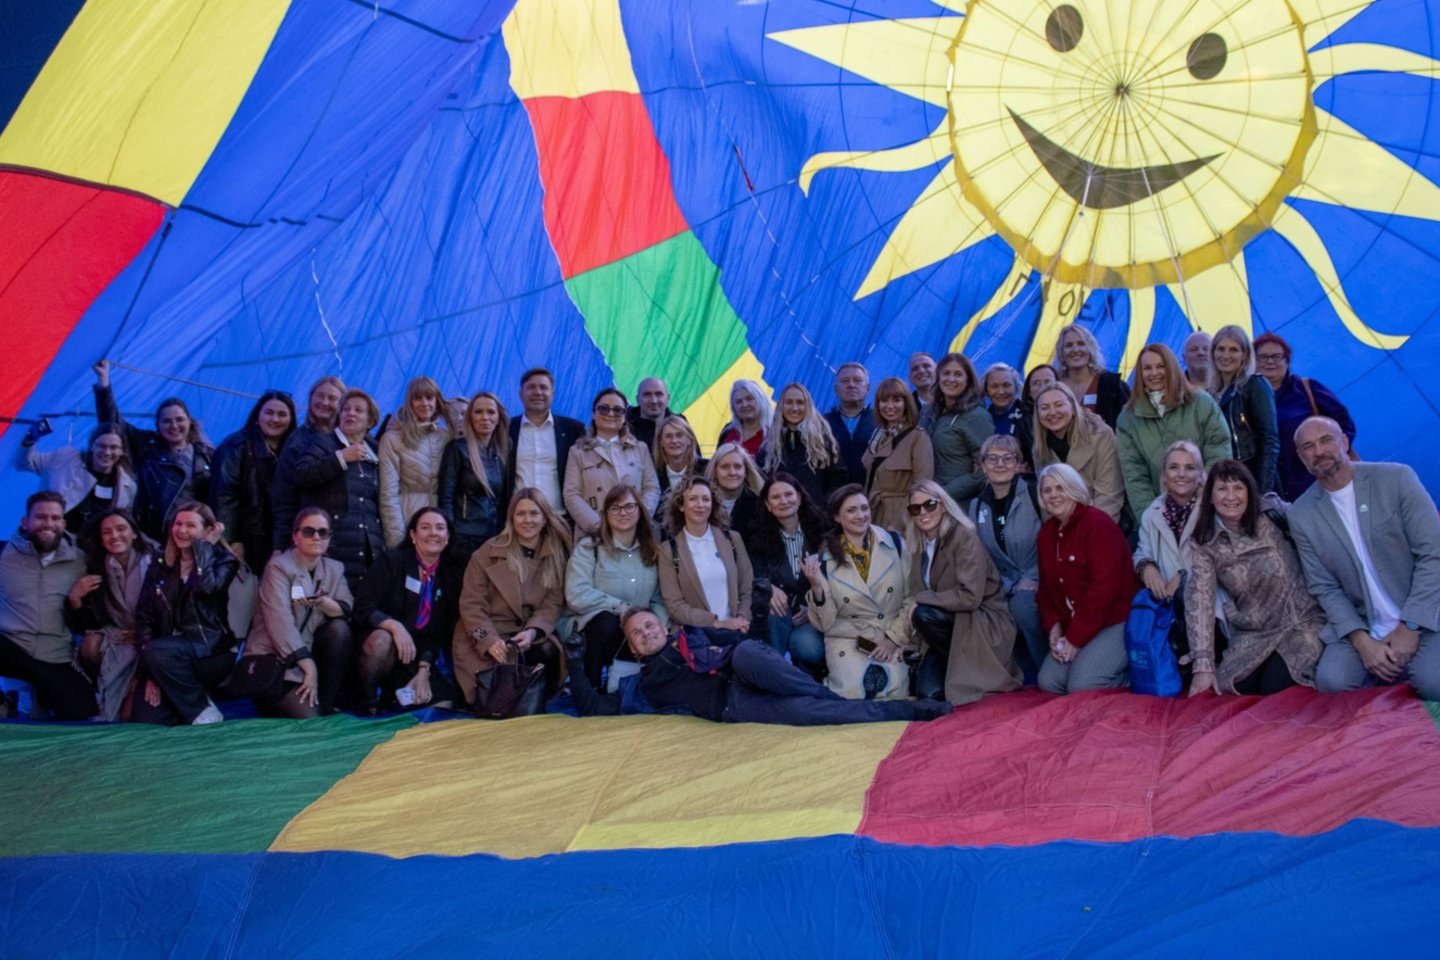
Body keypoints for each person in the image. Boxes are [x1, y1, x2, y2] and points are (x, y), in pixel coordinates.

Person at [566, 608, 949, 723]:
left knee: (746, 653)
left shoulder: (694, 634)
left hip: (745, 667)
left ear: (664, 627)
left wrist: (761, 612)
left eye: (649, 625)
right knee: (813, 714)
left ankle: (822, 696)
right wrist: (575, 662)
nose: (646, 633)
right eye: (636, 633)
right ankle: (914, 710)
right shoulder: (642, 687)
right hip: (734, 704)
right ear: (634, 651)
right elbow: (593, 707)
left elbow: (754, 645)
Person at [1288, 418, 1440, 700]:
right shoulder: (1301, 514)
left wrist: (1411, 627)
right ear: (1301, 457)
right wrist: (1362, 642)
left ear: (1344, 442)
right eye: (1308, 446)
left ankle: (1408, 664)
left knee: (1435, 682)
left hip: (1423, 616)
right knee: (1333, 681)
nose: (1319, 451)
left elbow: (1434, 554)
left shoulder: (1397, 479)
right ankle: (1388, 663)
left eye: (1326, 440)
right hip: (1365, 623)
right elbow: (1324, 587)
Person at [1183, 460, 1323, 696]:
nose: (1231, 496)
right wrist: (1203, 663)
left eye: (1238, 488)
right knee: (1237, 686)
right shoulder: (1205, 542)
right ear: (1210, 497)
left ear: (1249, 491)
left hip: (1301, 623)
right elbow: (1200, 599)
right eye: (1222, 489)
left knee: (1274, 687)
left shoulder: (1272, 513)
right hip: (1253, 633)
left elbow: (1317, 531)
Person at [904, 481, 1021, 705]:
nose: (923, 512)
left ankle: (969, 666)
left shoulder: (963, 536)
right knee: (927, 694)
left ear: (944, 505)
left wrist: (921, 599)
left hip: (981, 620)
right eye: (915, 508)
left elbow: (970, 597)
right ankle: (952, 664)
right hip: (949, 623)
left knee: (923, 614)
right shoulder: (918, 545)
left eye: (930, 504)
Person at [453, 490, 572, 709]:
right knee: (492, 695)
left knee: (547, 650)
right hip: (485, 635)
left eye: (534, 513)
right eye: (521, 514)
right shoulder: (486, 554)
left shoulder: (555, 557)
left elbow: (552, 605)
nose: (528, 520)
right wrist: (488, 640)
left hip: (526, 635)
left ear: (545, 519)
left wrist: (533, 631)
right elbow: (471, 606)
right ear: (511, 519)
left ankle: (536, 704)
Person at [130, 501, 239, 724]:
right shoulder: (161, 562)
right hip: (165, 655)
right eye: (178, 524)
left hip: (210, 651)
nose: (181, 530)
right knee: (146, 717)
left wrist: (205, 548)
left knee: (159, 653)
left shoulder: (225, 560)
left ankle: (203, 712)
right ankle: (193, 702)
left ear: (208, 531)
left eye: (190, 525)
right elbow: (144, 616)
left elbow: (206, 588)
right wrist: (153, 669)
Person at [241, 507, 354, 717]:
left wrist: (323, 603)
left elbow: (346, 607)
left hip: (308, 654)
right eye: (309, 531)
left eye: (323, 532)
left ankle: (326, 702)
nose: (316, 537)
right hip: (276, 660)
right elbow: (280, 623)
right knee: (308, 719)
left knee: (339, 629)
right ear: (295, 536)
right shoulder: (278, 567)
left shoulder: (335, 568)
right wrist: (308, 665)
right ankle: (278, 703)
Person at [802, 484, 913, 699]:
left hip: (890, 634)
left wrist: (893, 640)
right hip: (847, 639)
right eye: (851, 510)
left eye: (864, 508)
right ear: (837, 517)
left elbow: (912, 598)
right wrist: (816, 586)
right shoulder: (824, 557)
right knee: (853, 695)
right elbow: (825, 624)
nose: (860, 515)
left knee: (892, 694)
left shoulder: (896, 544)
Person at [1034, 464, 1135, 694]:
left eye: (1060, 488)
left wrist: (1074, 640)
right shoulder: (1046, 534)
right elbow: (1045, 591)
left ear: (1074, 489)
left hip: (1113, 619)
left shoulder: (1097, 524)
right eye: (1047, 490)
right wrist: (1054, 626)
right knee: (1049, 682)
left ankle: (1131, 677)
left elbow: (1104, 590)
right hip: (1075, 622)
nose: (1053, 495)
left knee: (1082, 685)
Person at [354, 506, 464, 714]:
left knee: (443, 704)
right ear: (413, 535)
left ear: (448, 537)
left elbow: (438, 632)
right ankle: (366, 702)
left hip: (413, 655)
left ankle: (394, 696)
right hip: (378, 650)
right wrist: (394, 627)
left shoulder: (449, 575)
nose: (433, 533)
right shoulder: (392, 561)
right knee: (381, 641)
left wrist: (424, 670)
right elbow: (363, 606)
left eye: (440, 528)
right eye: (425, 527)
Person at [93, 360, 214, 541]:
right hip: (156, 537)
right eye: (166, 421)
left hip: (195, 537)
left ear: (189, 421)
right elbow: (113, 424)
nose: (174, 426)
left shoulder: (207, 455)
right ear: (157, 425)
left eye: (180, 419)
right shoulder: (147, 446)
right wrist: (104, 384)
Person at [0, 492, 95, 719]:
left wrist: (75, 601)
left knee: (84, 714)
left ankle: (40, 698)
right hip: (11, 646)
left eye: (55, 518)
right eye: (41, 517)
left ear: (64, 523)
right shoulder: (4, 554)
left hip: (54, 655)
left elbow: (85, 623)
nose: (48, 524)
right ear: (26, 522)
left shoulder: (80, 561)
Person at [565, 484, 668, 691]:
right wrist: (620, 607)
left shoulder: (651, 552)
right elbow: (576, 594)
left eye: (629, 506)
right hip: (594, 630)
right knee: (607, 623)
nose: (623, 513)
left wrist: (661, 627)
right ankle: (592, 689)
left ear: (639, 510)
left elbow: (658, 599)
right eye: (615, 508)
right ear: (606, 514)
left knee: (652, 635)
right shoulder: (589, 548)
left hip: (637, 632)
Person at [284, 388, 384, 589]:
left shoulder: (376, 451)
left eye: (358, 410)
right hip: (333, 545)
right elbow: (301, 475)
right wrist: (340, 458)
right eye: (346, 409)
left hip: (368, 547)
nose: (350, 413)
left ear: (370, 421)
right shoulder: (322, 442)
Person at [65, 508, 157, 721]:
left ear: (135, 533)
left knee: (129, 714)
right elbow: (86, 625)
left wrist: (142, 632)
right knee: (90, 644)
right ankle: (100, 687)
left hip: (151, 640)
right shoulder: (96, 568)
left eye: (121, 529)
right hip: (118, 638)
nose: (114, 536)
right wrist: (75, 599)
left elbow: (168, 614)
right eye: (107, 532)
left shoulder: (155, 564)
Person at [1116, 343, 1230, 511]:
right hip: (1158, 512)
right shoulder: (1128, 418)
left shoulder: (1201, 402)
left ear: (1171, 367)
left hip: (1206, 506)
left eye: (1161, 366)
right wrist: (1151, 517)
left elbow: (1218, 451)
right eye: (1147, 368)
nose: (1154, 373)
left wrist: (1203, 502)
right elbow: (1134, 476)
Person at [967, 435, 1045, 677]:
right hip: (1002, 584)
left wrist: (1034, 577)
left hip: (1040, 579)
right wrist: (1004, 585)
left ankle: (1046, 665)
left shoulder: (1034, 493)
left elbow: (1053, 540)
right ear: (982, 465)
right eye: (992, 458)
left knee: (1021, 606)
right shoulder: (976, 505)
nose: (1000, 464)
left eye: (1007, 458)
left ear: (1018, 463)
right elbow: (980, 556)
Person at [1253, 332, 1358, 502]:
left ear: (1287, 360)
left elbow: (1344, 424)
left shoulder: (1307, 389)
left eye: (1276, 356)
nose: (1270, 362)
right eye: (1262, 357)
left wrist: (1328, 457)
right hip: (1270, 493)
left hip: (1318, 483)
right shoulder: (1245, 397)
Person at [747, 474, 827, 675]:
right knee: (773, 615)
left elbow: (832, 579)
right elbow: (753, 574)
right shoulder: (757, 538)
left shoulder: (822, 533)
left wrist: (812, 609)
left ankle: (806, 680)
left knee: (810, 648)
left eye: (788, 494)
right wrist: (768, 587)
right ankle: (774, 676)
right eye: (776, 497)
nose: (783, 501)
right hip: (778, 615)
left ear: (799, 498)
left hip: (812, 616)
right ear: (768, 505)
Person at [657, 476, 754, 635]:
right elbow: (675, 605)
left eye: (706, 499)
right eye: (693, 499)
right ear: (681, 505)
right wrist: (717, 623)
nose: (700, 505)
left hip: (738, 630)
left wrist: (741, 618)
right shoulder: (668, 550)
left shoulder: (733, 539)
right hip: (697, 635)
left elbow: (747, 586)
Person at [212, 390, 297, 566]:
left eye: (282, 414)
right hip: (248, 539)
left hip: (280, 538)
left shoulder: (293, 449)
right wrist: (233, 539)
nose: (275, 419)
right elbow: (224, 496)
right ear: (258, 415)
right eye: (269, 412)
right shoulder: (235, 446)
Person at [564, 387, 661, 538]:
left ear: (624, 417)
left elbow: (652, 488)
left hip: (636, 534)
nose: (610, 414)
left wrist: (638, 520)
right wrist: (599, 527)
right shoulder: (577, 452)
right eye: (604, 409)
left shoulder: (640, 449)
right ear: (593, 414)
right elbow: (571, 494)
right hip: (595, 535)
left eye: (617, 410)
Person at [15, 421, 137, 536]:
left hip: (94, 546)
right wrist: (30, 438)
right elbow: (23, 463)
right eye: (101, 446)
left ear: (122, 451)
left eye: (113, 447)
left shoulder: (128, 486)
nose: (107, 452)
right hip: (54, 539)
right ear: (92, 446)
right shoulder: (65, 459)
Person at [271, 375, 346, 551]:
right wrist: (281, 543)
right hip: (307, 535)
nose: (324, 402)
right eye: (320, 396)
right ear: (311, 398)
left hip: (344, 534)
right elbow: (283, 494)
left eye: (332, 398)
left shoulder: (349, 439)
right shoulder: (297, 440)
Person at [1031, 381, 1125, 522]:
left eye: (1059, 405)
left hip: (1097, 523)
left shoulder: (1100, 435)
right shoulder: (1039, 448)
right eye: (1044, 408)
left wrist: (1093, 531)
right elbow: (1047, 504)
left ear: (1073, 408)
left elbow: (1109, 495)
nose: (1052, 412)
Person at [378, 375, 453, 549]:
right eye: (418, 398)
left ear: (437, 401)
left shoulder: (446, 437)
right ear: (409, 403)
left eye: (429, 397)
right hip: (407, 519)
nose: (424, 403)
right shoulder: (392, 439)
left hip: (440, 524)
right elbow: (388, 494)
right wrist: (396, 539)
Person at [437, 391, 512, 558]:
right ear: (470, 418)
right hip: (463, 536)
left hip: (494, 535)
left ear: (498, 418)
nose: (485, 417)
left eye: (491, 412)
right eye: (478, 412)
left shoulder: (503, 452)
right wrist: (450, 533)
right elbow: (446, 496)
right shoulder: (457, 448)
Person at [506, 367, 585, 521]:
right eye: (531, 387)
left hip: (560, 518)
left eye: (543, 387)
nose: (538, 392)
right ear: (521, 394)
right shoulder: (506, 429)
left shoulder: (573, 430)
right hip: (519, 520)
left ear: (552, 394)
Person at [1132, 441, 1206, 606]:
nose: (1181, 474)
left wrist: (1184, 577)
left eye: (1190, 468)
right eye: (1173, 467)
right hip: (1167, 606)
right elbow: (1142, 552)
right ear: (1164, 475)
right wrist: (1146, 567)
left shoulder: (1212, 509)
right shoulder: (1152, 513)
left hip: (1209, 604)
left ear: (1200, 475)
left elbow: (1221, 559)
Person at [1209, 325, 1280, 495]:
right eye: (1221, 349)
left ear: (1245, 355)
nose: (1226, 355)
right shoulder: (1209, 394)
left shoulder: (1255, 385)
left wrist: (1263, 491)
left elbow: (1269, 440)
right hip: (1223, 479)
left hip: (1251, 477)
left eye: (1233, 350)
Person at [863, 377, 935, 531]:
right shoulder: (877, 436)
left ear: (906, 404)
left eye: (896, 400)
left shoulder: (918, 437)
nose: (890, 406)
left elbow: (923, 487)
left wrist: (907, 522)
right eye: (884, 400)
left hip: (900, 520)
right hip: (873, 516)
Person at [759, 382, 846, 506]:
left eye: (800, 402)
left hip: (817, 514)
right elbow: (762, 483)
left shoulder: (824, 442)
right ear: (781, 406)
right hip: (780, 513)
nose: (794, 408)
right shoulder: (769, 447)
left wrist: (825, 507)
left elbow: (838, 481)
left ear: (808, 406)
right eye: (789, 402)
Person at [921, 354, 992, 505]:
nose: (951, 379)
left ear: (968, 380)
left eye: (958, 374)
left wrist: (944, 493)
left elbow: (985, 470)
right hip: (930, 502)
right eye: (946, 373)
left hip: (959, 505)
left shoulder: (977, 416)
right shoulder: (930, 413)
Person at [1053, 323, 1130, 429]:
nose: (1075, 350)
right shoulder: (1054, 387)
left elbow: (1129, 426)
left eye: (1081, 344)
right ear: (1061, 352)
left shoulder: (1113, 386)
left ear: (1090, 349)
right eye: (1069, 345)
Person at [824, 362, 877, 486]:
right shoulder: (822, 423)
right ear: (836, 389)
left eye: (857, 381)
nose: (851, 385)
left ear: (867, 388)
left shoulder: (880, 421)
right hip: (834, 494)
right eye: (845, 381)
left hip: (872, 493)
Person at [704, 443, 765, 540]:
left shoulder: (758, 505)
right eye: (725, 467)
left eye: (737, 467)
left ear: (745, 472)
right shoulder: (703, 503)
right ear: (715, 472)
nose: (732, 472)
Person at [981, 362, 1033, 465]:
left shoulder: (1029, 416)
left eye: (1006, 385)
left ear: (1016, 387)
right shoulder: (982, 420)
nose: (1001, 392)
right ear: (986, 390)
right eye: (994, 386)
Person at [652, 415, 707, 504]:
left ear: (689, 439)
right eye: (668, 436)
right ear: (661, 442)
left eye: (679, 435)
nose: (674, 441)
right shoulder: (653, 471)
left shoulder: (706, 468)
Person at [716, 379, 771, 459]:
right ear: (733, 407)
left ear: (760, 400)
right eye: (738, 402)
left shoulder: (774, 433)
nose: (744, 405)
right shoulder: (727, 431)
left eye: (749, 399)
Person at [627, 377, 680, 450]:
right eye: (647, 395)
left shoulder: (680, 425)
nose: (653, 401)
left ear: (668, 398)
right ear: (637, 399)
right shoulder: (624, 427)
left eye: (659, 394)